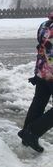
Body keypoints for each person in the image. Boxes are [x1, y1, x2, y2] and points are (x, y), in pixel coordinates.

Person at [17, 12, 53, 153]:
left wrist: (37, 72)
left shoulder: (44, 25)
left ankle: (27, 135)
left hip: (43, 70)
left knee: (39, 102)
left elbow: (43, 48)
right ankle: (32, 132)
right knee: (39, 101)